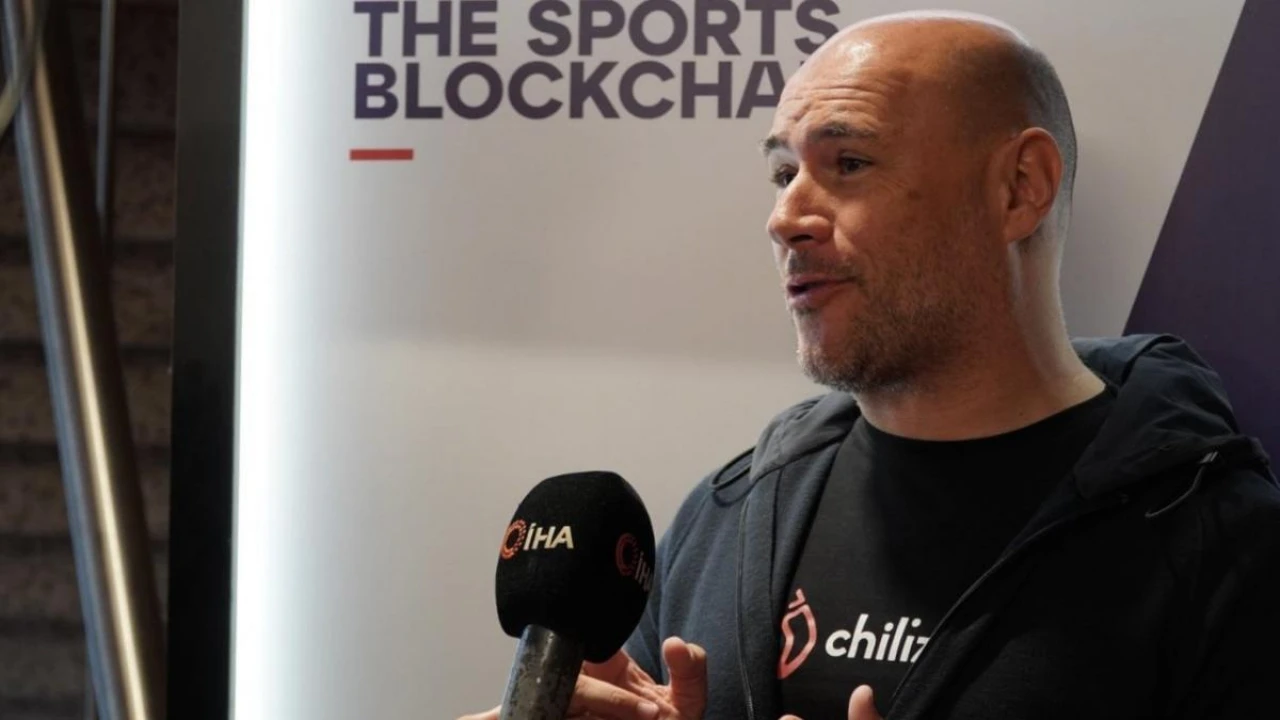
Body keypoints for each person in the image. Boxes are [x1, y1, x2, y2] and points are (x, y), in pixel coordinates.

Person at [462, 10, 1280, 720]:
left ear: (1019, 188)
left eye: (848, 164)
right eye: (783, 172)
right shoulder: (729, 516)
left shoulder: (1219, 545)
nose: (785, 216)